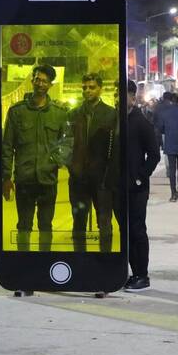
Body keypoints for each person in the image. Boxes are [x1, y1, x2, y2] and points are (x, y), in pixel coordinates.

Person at [1, 64, 70, 252]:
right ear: (32, 80)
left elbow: (67, 142)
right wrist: (6, 178)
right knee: (23, 225)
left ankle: (43, 261)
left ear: (50, 85)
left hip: (48, 180)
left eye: (45, 81)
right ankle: (24, 263)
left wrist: (57, 160)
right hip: (24, 180)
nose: (40, 84)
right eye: (37, 79)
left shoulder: (59, 113)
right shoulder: (17, 112)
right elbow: (7, 146)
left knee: (46, 226)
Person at [68, 73, 117, 252]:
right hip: (78, 178)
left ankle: (105, 262)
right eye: (85, 87)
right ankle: (80, 261)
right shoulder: (73, 114)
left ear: (100, 89)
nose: (87, 90)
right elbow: (66, 145)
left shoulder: (111, 114)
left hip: (102, 178)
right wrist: (71, 167)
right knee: (78, 223)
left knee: (104, 222)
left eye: (92, 87)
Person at [122, 80, 160, 292]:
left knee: (137, 230)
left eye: (124, 95)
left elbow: (154, 155)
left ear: (132, 97)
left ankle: (141, 275)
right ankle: (127, 272)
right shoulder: (116, 121)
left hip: (136, 188)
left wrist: (140, 176)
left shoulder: (141, 122)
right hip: (117, 187)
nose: (120, 99)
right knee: (124, 231)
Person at [156, 93, 178, 201]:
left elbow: (161, 128)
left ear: (171, 100)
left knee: (172, 169)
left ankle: (173, 194)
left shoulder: (164, 113)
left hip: (170, 142)